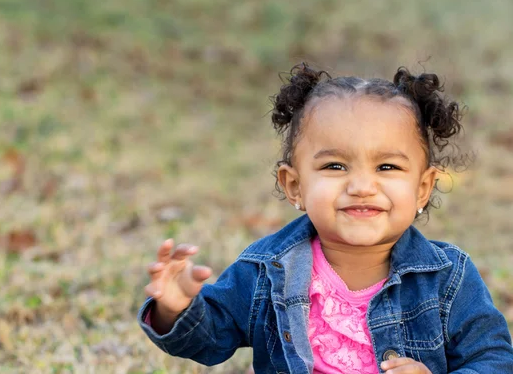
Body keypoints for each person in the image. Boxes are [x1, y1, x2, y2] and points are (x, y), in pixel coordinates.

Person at [137, 62, 513, 373]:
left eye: (387, 166)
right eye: (335, 165)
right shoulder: (267, 270)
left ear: (423, 188)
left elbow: (494, 359)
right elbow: (209, 340)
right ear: (295, 185)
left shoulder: (448, 278)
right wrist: (176, 308)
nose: (362, 186)